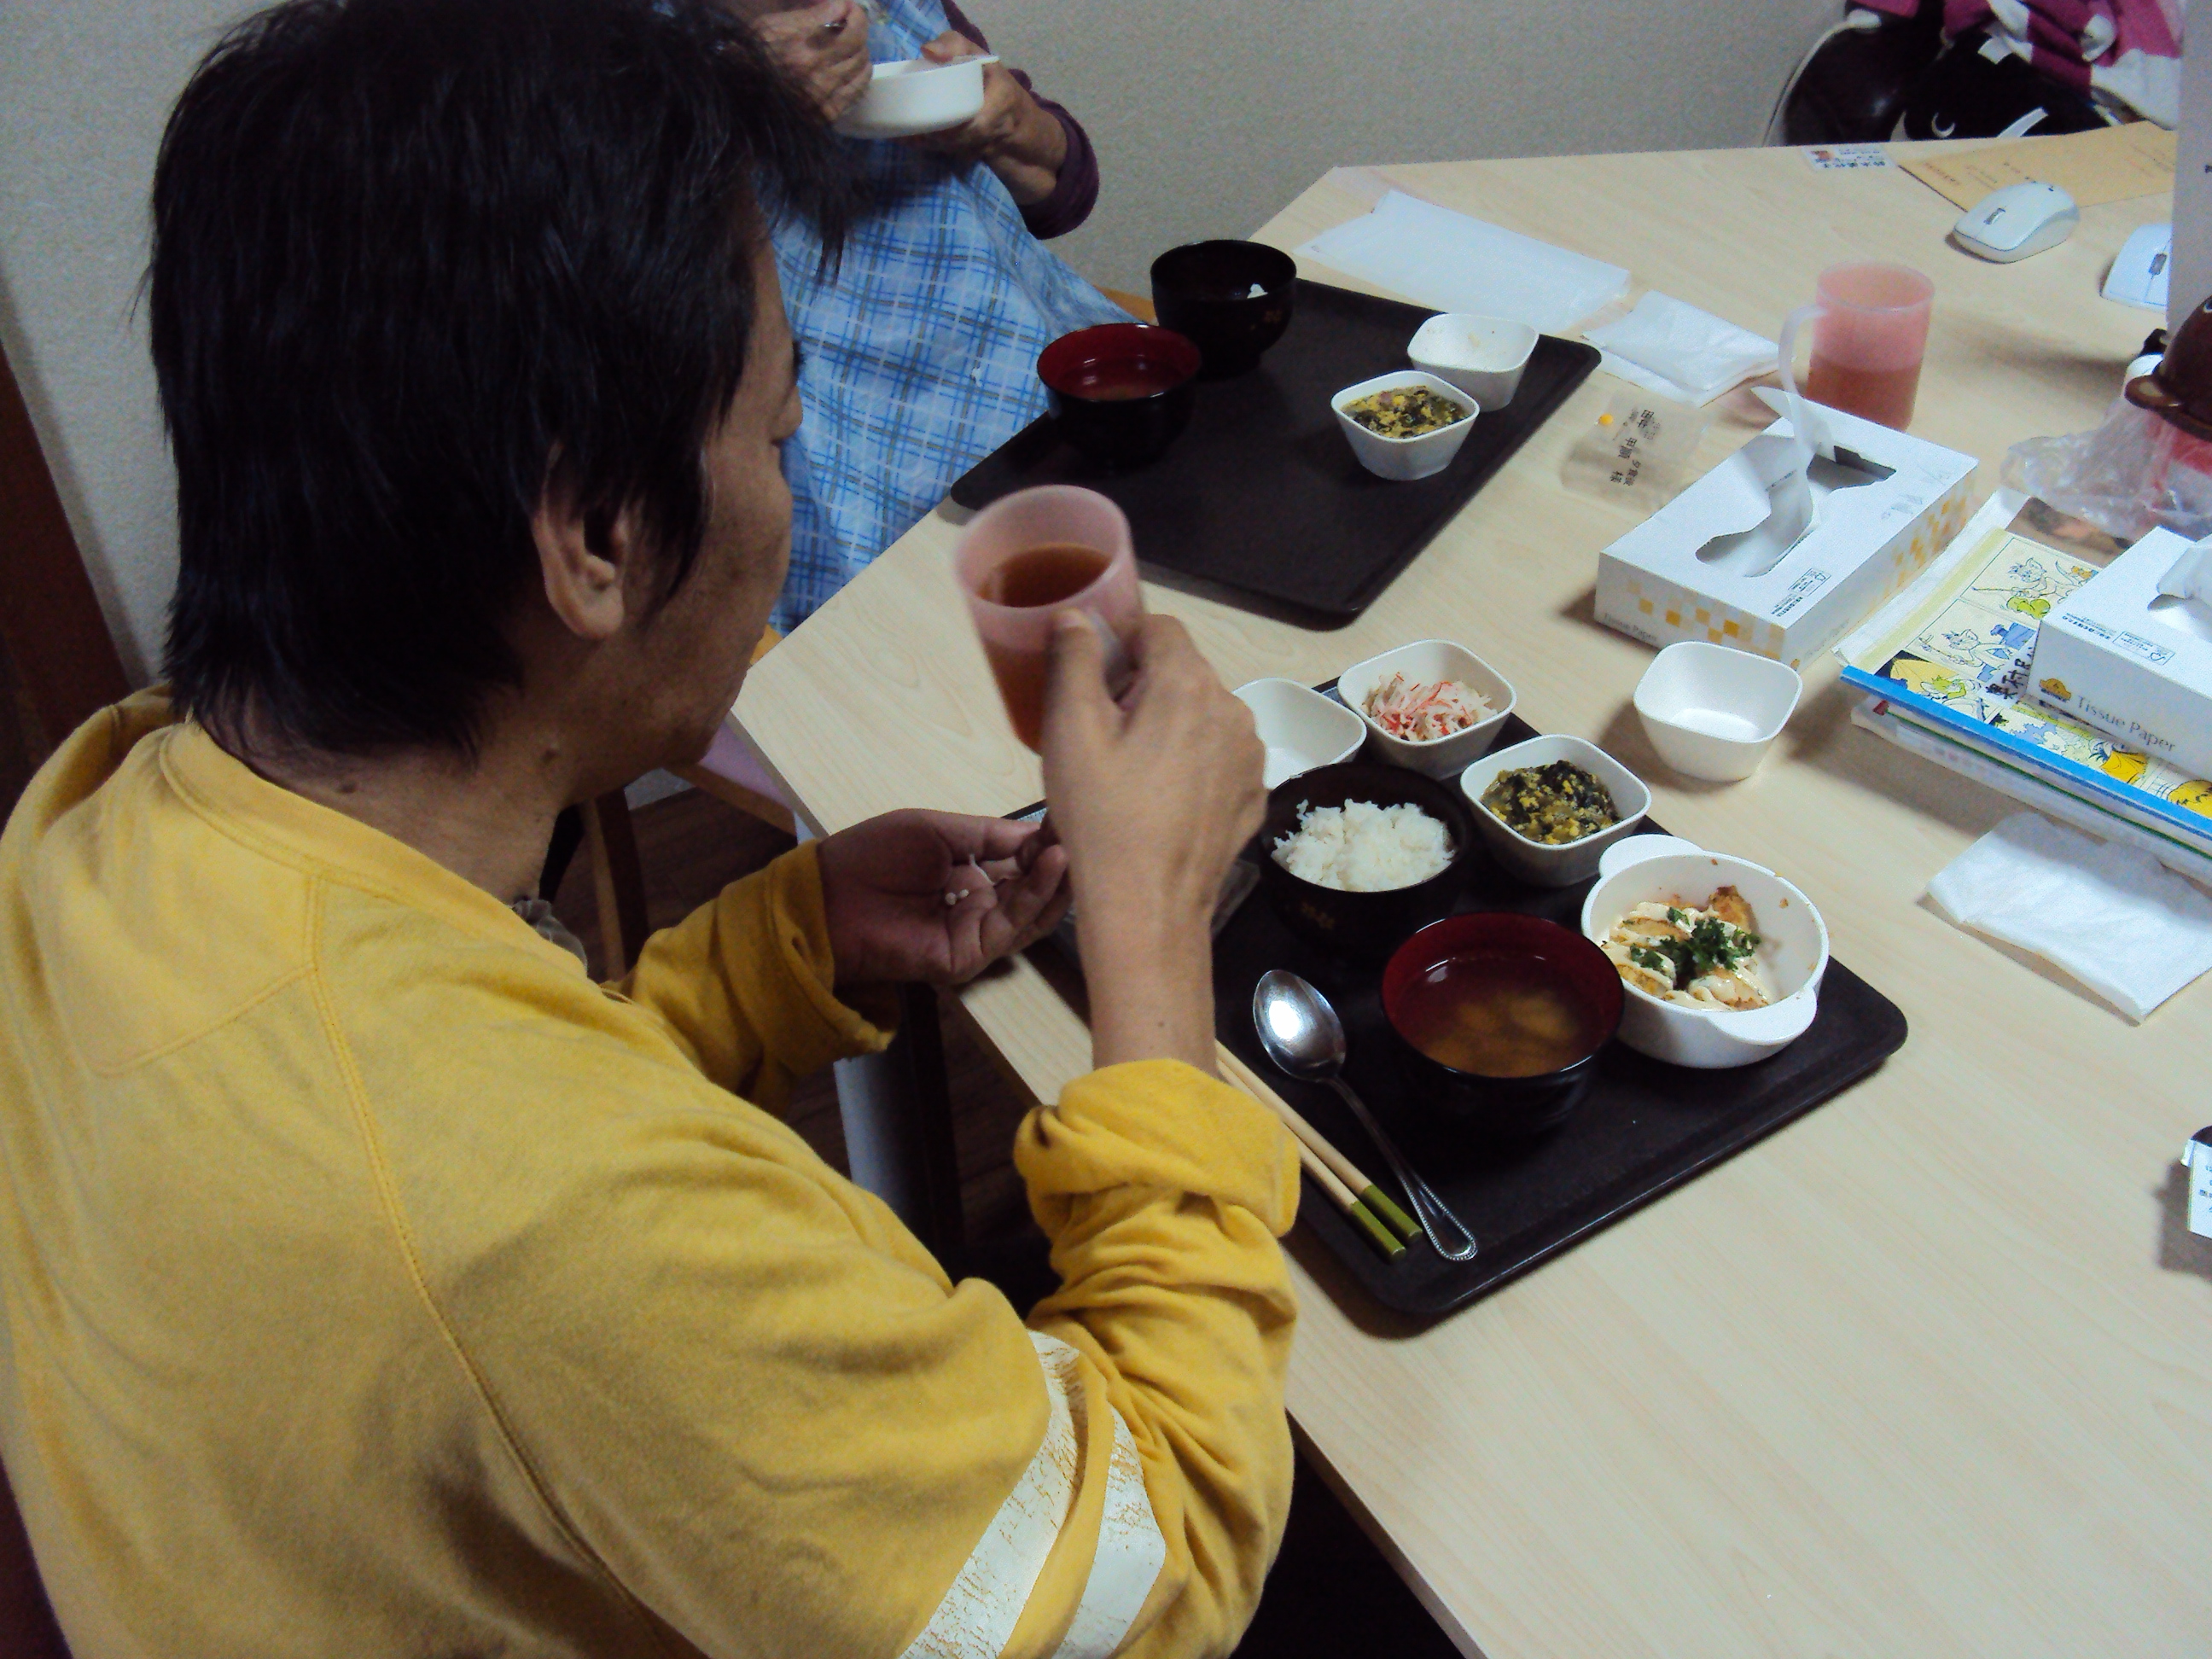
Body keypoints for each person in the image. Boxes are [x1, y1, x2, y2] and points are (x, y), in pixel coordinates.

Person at [0, 3, 1297, 1655]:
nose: (786, 479)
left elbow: (475, 1119)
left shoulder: (102, 821)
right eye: (776, 429)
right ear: (598, 536)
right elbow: (1151, 1570)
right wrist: (1153, 947)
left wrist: (777, 944)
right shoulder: (540, 1225)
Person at [731, 0, 1130, 631]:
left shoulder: (895, 11)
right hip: (850, 458)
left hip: (1042, 384)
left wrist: (1010, 121)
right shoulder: (605, 56)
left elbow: (1063, 194)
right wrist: (727, 88)